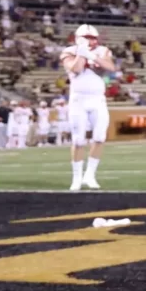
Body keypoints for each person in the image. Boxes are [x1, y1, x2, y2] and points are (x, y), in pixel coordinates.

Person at [60, 24, 116, 191]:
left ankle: (90, 175)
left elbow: (110, 67)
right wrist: (82, 53)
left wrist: (91, 54)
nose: (91, 41)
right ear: (78, 38)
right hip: (78, 100)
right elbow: (76, 69)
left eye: (93, 38)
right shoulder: (69, 51)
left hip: (97, 99)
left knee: (99, 137)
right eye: (87, 37)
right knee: (78, 140)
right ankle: (76, 178)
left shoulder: (103, 50)